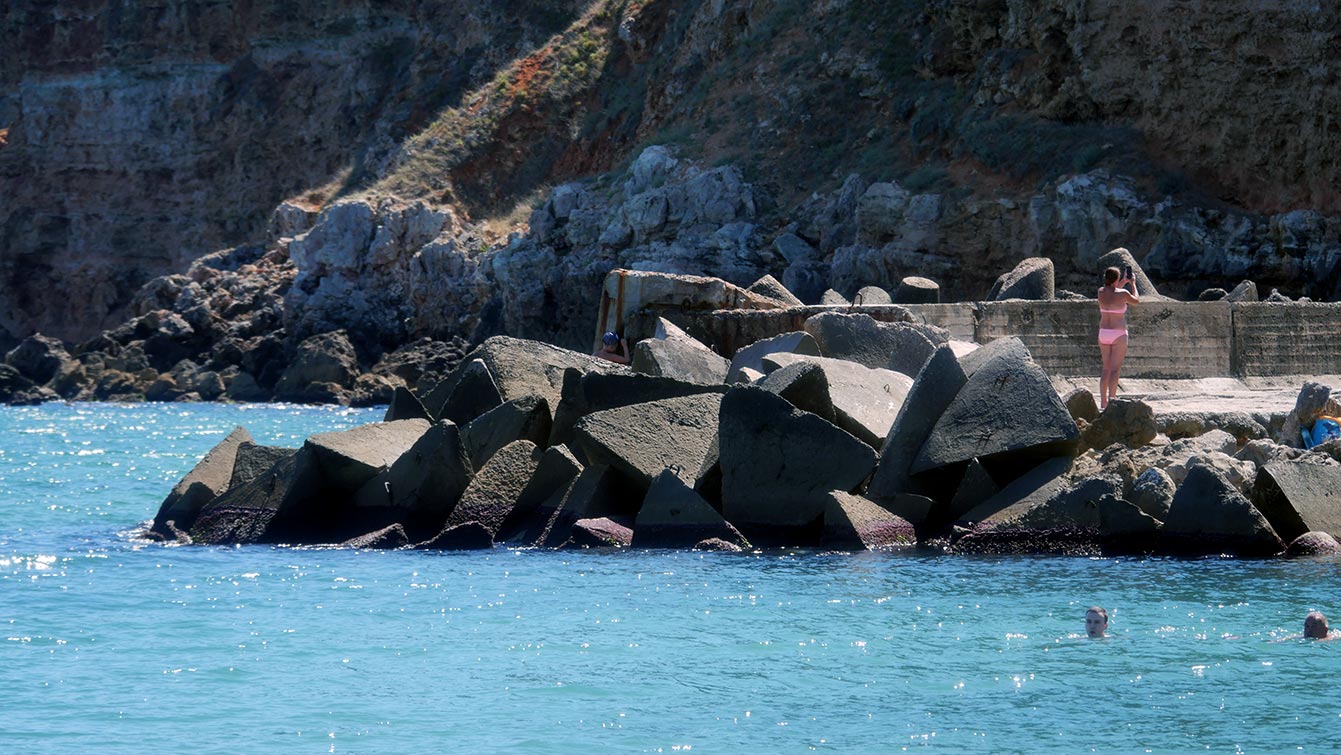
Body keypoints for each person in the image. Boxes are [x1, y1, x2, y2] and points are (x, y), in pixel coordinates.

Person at [1097, 266, 1139, 411]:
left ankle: (1103, 403)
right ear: (1116, 279)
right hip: (1118, 333)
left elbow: (1113, 291)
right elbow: (1136, 300)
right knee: (1115, 370)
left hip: (1103, 333)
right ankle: (1112, 401)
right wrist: (1132, 284)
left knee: (1106, 369)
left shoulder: (1101, 292)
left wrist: (1122, 281)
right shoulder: (1124, 294)